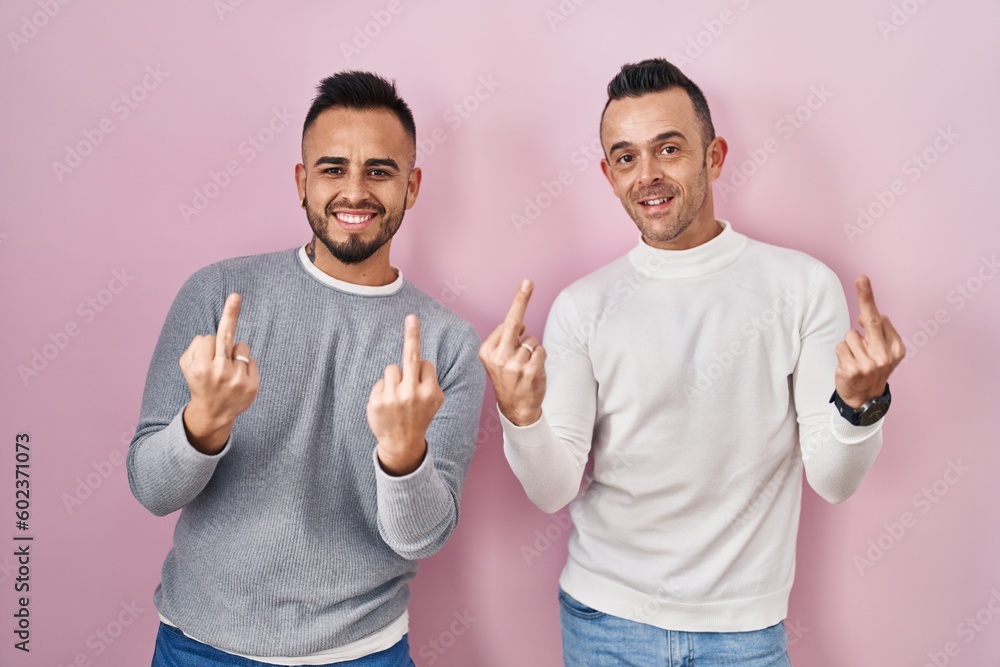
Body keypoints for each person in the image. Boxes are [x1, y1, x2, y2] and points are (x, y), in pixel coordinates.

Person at [479, 58, 905, 666]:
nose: (647, 175)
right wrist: (519, 414)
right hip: (606, 622)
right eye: (625, 158)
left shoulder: (803, 287)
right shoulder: (582, 306)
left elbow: (833, 481)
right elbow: (552, 491)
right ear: (608, 174)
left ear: (714, 155)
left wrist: (860, 404)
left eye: (669, 149)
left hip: (745, 630)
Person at [127, 71, 485, 667]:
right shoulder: (218, 295)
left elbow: (422, 537)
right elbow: (151, 489)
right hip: (200, 646)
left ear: (412, 186)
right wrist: (204, 423)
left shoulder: (448, 346)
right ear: (302, 182)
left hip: (364, 653)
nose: (354, 191)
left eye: (379, 170)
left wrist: (402, 455)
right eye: (331, 168)